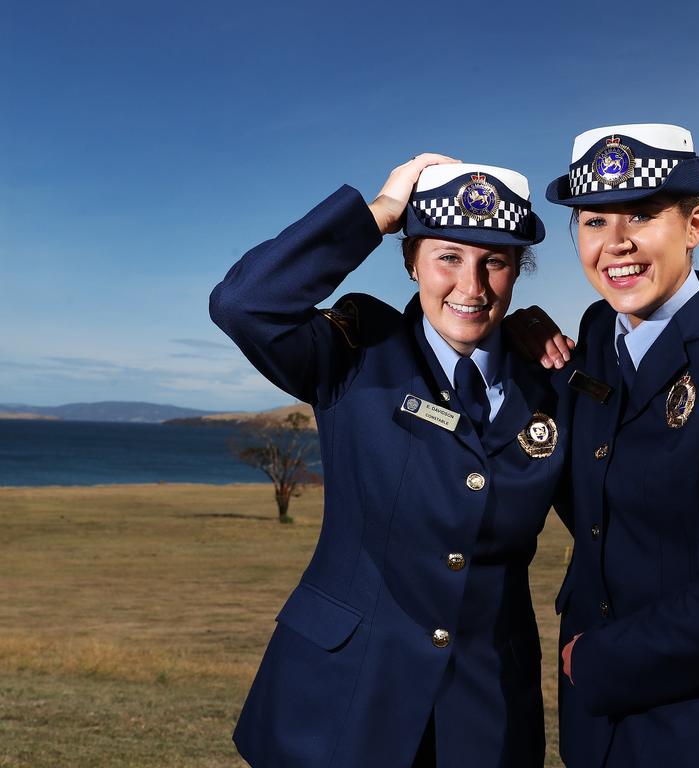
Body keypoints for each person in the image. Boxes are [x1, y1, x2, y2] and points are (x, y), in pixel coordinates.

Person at [209, 154, 568, 768]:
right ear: (410, 260)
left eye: (496, 263)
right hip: (343, 699)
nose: (472, 286)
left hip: (485, 714)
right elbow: (244, 303)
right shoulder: (358, 349)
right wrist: (379, 210)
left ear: (518, 270)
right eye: (447, 257)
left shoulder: (552, 386)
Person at [515, 123, 699, 766]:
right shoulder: (597, 332)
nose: (614, 243)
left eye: (642, 216)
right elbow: (598, 490)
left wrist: (596, 659)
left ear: (694, 224)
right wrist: (531, 356)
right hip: (598, 721)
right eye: (593, 221)